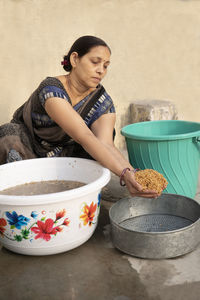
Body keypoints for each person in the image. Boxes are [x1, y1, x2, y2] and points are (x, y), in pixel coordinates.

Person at [0, 35, 159, 198]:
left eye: (106, 66)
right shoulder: (52, 90)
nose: (101, 70)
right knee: (7, 134)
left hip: (67, 156)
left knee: (97, 148)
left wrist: (134, 175)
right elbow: (84, 136)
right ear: (75, 59)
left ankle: (73, 191)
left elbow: (107, 145)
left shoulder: (102, 101)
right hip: (30, 149)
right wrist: (124, 173)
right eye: (95, 62)